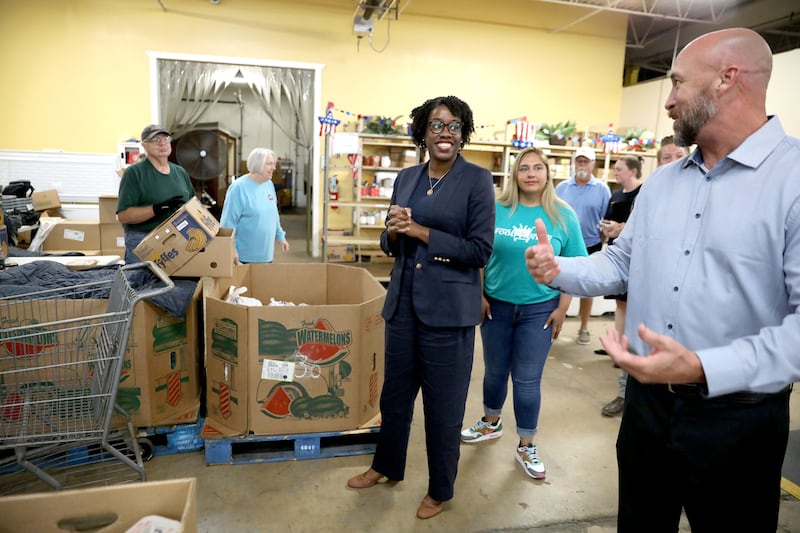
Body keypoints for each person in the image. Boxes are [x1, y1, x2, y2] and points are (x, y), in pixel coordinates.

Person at [525, 28, 799, 532]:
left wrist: (702, 366)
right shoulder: (665, 183)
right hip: (648, 410)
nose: (668, 101)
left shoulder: (793, 180)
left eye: (676, 84)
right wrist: (559, 269)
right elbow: (623, 263)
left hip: (739, 422)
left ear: (726, 79)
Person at [346, 96, 495, 520]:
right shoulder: (407, 177)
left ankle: (440, 489)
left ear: (463, 133)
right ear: (423, 133)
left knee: (443, 407)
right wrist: (393, 233)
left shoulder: (477, 180)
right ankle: (386, 465)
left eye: (453, 125)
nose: (444, 132)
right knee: (394, 397)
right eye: (435, 125)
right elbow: (390, 240)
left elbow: (479, 250)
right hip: (404, 305)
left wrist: (420, 230)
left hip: (449, 312)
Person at [459, 147, 586, 480]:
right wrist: (481, 294)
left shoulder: (563, 215)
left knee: (527, 382)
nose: (531, 173)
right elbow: (480, 255)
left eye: (538, 168)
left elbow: (576, 266)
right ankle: (491, 422)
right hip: (496, 306)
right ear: (515, 175)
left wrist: (562, 308)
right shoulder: (497, 209)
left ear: (548, 173)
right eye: (524, 168)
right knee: (494, 373)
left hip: (540, 311)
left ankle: (526, 443)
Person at [595, 156, 643, 417]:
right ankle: (624, 393)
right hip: (618, 259)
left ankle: (631, 393)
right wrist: (608, 231)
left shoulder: (644, 192)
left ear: (633, 171)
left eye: (619, 169)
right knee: (624, 323)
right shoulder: (615, 195)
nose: (615, 172)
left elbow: (641, 230)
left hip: (640, 267)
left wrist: (622, 229)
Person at [554, 146, 610, 345]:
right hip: (565, 244)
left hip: (591, 243)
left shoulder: (603, 190)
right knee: (560, 284)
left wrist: (602, 238)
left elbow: (606, 218)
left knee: (587, 287)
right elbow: (553, 212)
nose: (582, 165)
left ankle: (584, 326)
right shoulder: (561, 188)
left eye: (586, 161)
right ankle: (556, 321)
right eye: (579, 161)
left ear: (593, 164)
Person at [117, 124, 195, 264]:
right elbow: (123, 216)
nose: (162, 143)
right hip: (143, 241)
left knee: (175, 285)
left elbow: (193, 205)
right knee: (141, 283)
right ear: (144, 145)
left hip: (175, 240)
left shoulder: (180, 172)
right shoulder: (134, 173)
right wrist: (157, 209)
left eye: (165, 139)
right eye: (155, 140)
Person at [220, 147, 289, 264]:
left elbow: (273, 214)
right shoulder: (238, 188)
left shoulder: (269, 184)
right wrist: (231, 250)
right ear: (258, 165)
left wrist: (280, 236)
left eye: (274, 164)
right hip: (243, 258)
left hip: (266, 256)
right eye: (270, 164)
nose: (274, 168)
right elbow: (227, 223)